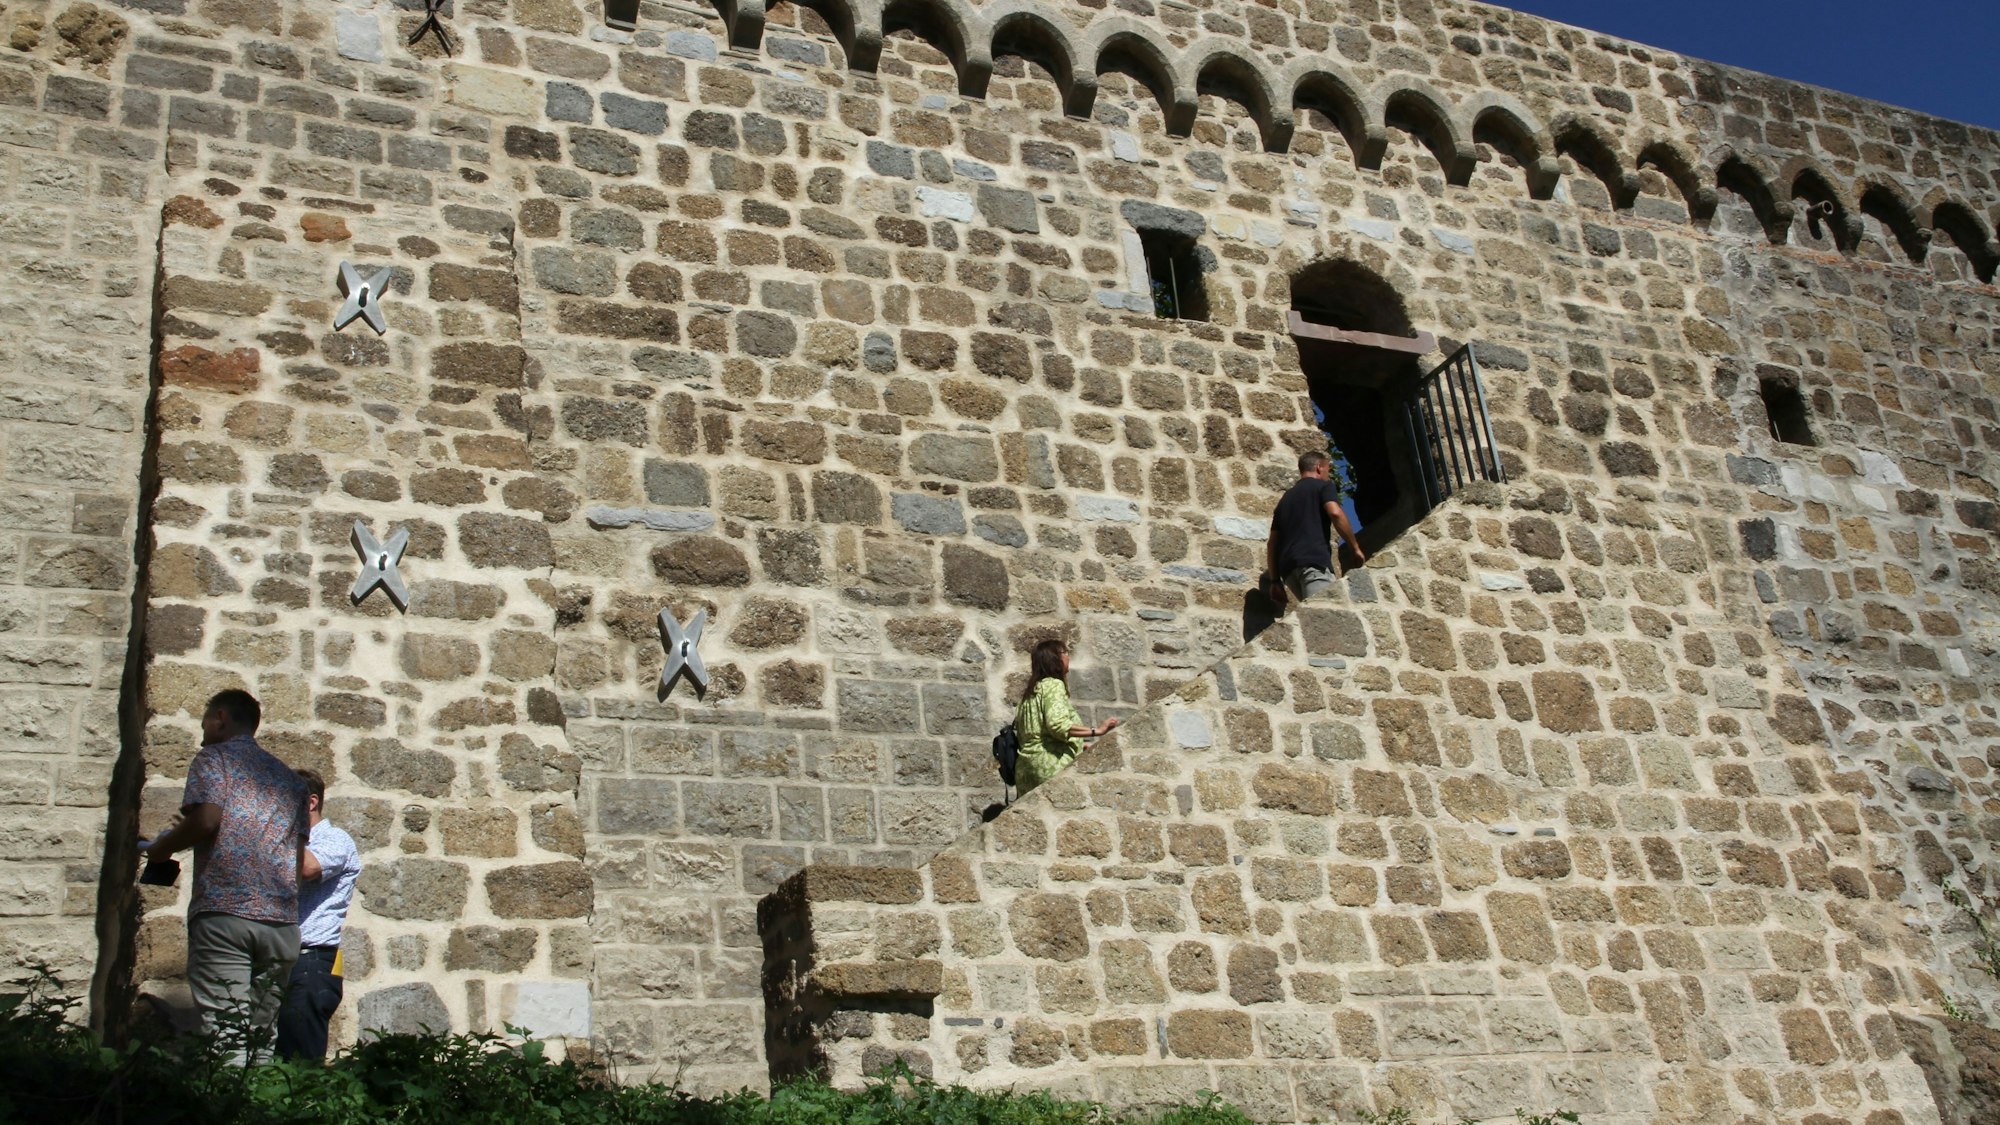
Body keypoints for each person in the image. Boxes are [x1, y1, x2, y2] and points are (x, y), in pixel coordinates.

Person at [140, 689, 308, 1065]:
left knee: (225, 1034)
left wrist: (161, 849)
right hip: (281, 923)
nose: (202, 730)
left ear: (220, 717)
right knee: (262, 1038)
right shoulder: (292, 781)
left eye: (203, 721)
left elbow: (206, 820)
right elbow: (295, 860)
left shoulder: (213, 759)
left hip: (226, 915)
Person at [275, 768, 360, 1062]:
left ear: (310, 803)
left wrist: (285, 831)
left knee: (299, 1063)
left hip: (311, 962)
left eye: (284, 801)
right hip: (279, 957)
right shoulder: (282, 844)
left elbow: (308, 868)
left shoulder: (336, 840)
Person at [1012, 639, 1118, 796]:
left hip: (1026, 771)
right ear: (1055, 659)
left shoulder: (1029, 695)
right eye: (1065, 653)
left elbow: (1037, 734)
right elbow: (1057, 725)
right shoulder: (1053, 685)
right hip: (1050, 766)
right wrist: (1097, 730)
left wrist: (1078, 747)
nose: (1068, 657)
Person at [1265, 450, 1366, 608]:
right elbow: (1335, 512)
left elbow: (1272, 544)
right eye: (1328, 470)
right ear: (1319, 467)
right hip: (1314, 563)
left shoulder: (1285, 500)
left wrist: (1275, 581)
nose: (1328, 475)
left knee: (1313, 616)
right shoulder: (1323, 486)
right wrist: (1355, 547)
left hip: (1289, 572)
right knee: (1326, 615)